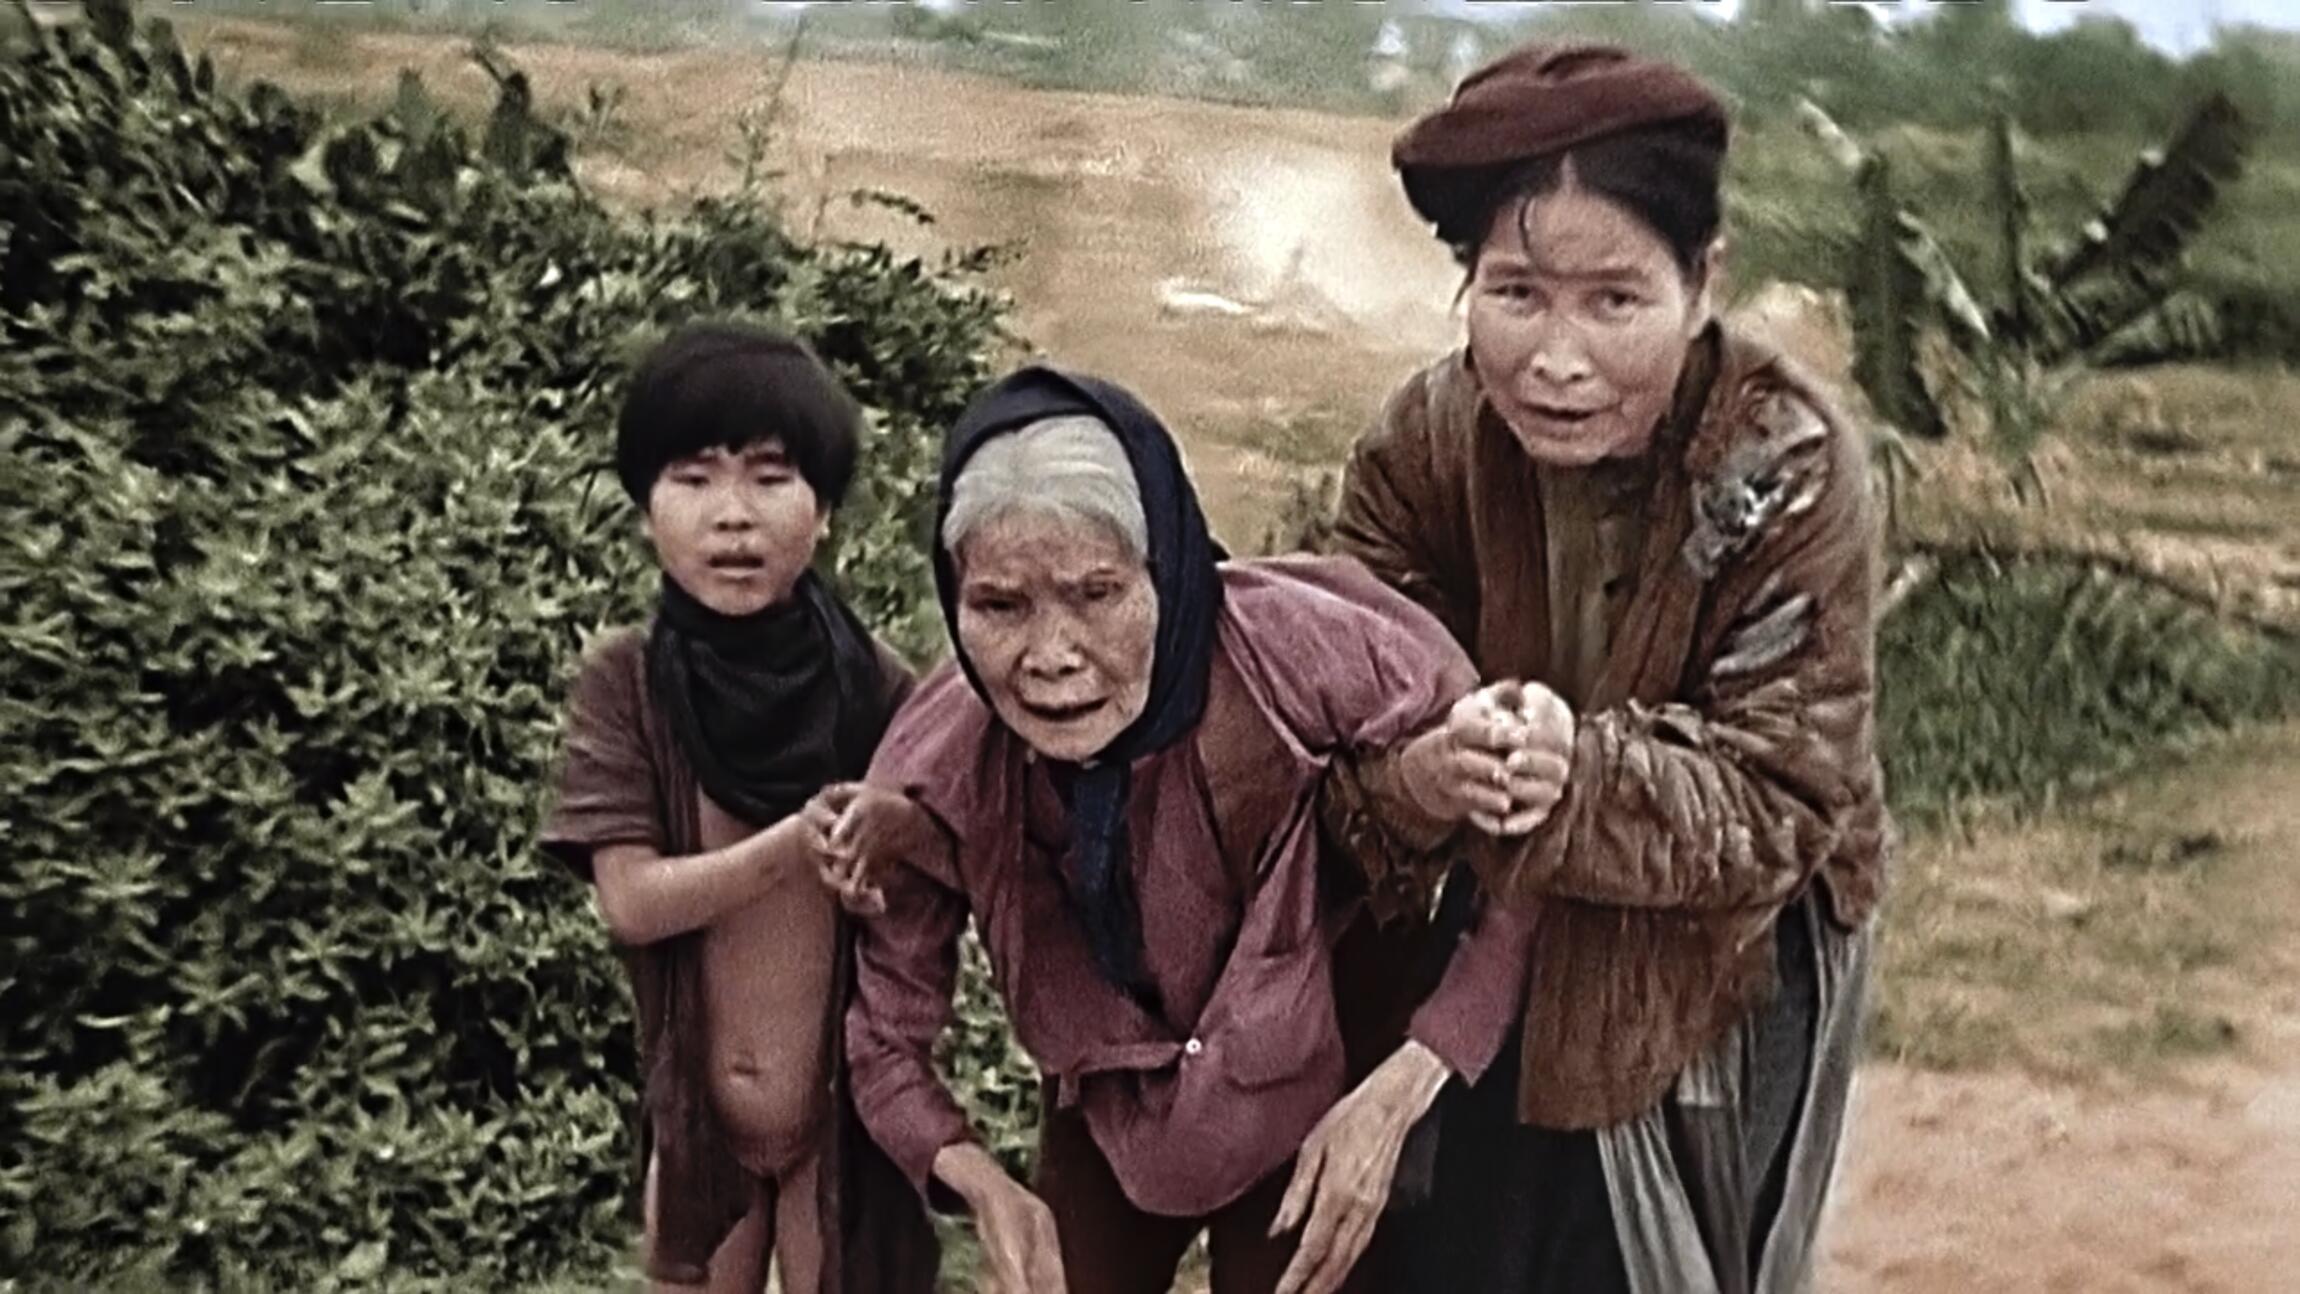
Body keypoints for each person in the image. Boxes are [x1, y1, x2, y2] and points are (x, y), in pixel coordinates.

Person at [1276, 42, 1893, 1294]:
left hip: (1724, 945)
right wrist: (1425, 773)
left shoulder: (1785, 465)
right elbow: (1331, 731)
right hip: (1475, 916)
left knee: (1657, 1260)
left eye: (1613, 301)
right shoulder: (1422, 444)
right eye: (1515, 294)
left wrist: (1575, 774)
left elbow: (1780, 793)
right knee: (1447, 1251)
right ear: (1466, 282)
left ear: (1701, 281)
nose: (1556, 360)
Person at [818, 366, 1542, 1294]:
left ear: (1166, 565)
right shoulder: (945, 760)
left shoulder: (1300, 647)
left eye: (1097, 594)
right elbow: (883, 1039)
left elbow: (1518, 835)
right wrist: (978, 1180)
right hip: (1110, 1108)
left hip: (1317, 1074)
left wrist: (1406, 1084)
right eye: (1000, 606)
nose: (1051, 657)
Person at [538, 321, 940, 1293]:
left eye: (769, 477)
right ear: (645, 509)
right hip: (699, 1126)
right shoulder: (626, 684)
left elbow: (954, 863)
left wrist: (906, 837)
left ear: (824, 510)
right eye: (693, 478)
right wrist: (795, 843)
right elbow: (631, 902)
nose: (733, 517)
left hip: (842, 1126)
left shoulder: (880, 689)